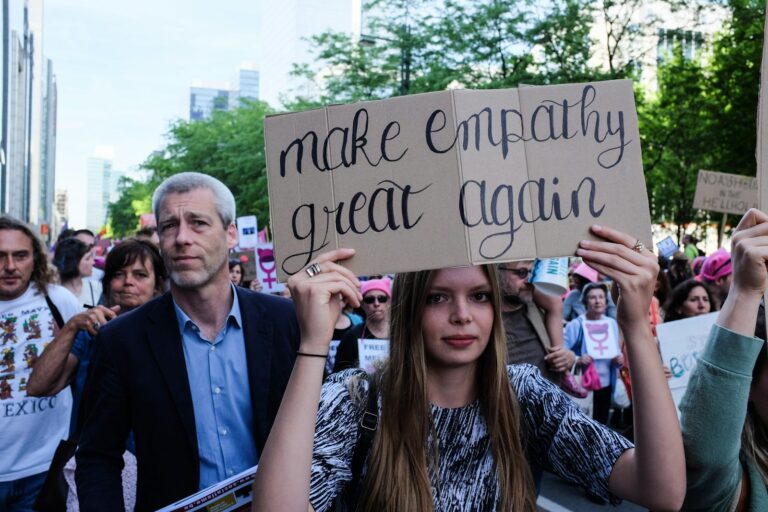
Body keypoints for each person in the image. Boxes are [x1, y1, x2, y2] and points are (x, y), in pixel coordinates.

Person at [250, 225, 686, 511]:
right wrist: (312, 343)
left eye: (479, 296)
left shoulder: (523, 395)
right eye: (437, 297)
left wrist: (634, 323)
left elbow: (661, 490)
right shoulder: (355, 399)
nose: (462, 315)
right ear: (409, 310)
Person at [75, 172, 300, 512]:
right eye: (168, 226)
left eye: (198, 223)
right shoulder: (123, 340)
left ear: (231, 234)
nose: (181, 238)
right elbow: (97, 456)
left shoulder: (287, 321)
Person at [27, 240, 168, 434]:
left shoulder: (171, 332)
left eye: (140, 275)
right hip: (93, 453)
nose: (128, 281)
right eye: (119, 274)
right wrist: (72, 326)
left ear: (157, 285)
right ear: (108, 284)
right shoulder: (91, 332)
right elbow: (38, 386)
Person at [680, 209, 768, 511]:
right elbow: (705, 453)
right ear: (748, 388)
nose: (702, 303)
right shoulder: (736, 485)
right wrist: (744, 292)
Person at [0, 216, 81, 511]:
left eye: (20, 255)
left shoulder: (59, 300)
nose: (10, 266)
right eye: (0, 256)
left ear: (35, 258)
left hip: (43, 470)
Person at [496, 260, 574, 383]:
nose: (530, 280)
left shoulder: (538, 308)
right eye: (522, 272)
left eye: (532, 272)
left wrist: (567, 357)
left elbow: (559, 356)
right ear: (497, 272)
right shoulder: (484, 320)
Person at [564, 282, 624, 425]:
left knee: (602, 422)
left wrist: (619, 360)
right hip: (584, 384)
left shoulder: (611, 323)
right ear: (585, 301)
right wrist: (578, 359)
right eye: (592, 298)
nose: (597, 301)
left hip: (606, 384)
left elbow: (615, 350)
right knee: (584, 424)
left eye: (601, 297)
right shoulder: (576, 325)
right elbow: (562, 350)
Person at [332, 277, 391, 372]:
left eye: (382, 299)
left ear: (388, 302)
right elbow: (339, 375)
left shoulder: (400, 335)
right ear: (362, 304)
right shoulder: (351, 336)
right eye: (370, 299)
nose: (376, 303)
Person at [53, 238, 102, 308]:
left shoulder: (97, 288)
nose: (93, 262)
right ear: (73, 262)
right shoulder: (52, 293)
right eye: (87, 258)